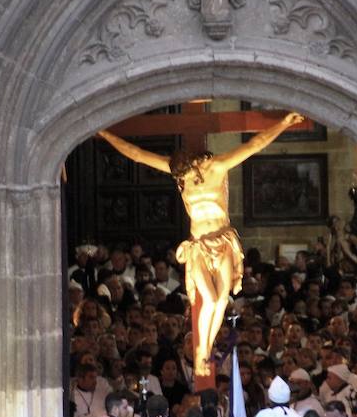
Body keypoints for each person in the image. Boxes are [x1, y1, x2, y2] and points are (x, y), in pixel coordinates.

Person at [99, 112, 304, 380]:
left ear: (196, 164)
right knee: (208, 298)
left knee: (221, 298)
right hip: (198, 245)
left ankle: (205, 350)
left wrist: (284, 124)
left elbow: (254, 145)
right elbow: (137, 154)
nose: (180, 180)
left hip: (222, 240)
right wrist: (104, 133)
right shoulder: (179, 172)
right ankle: (200, 352)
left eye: (183, 174)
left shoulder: (217, 166)